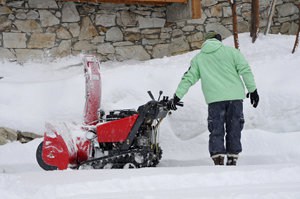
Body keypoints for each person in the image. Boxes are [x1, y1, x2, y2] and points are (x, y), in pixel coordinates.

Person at [168, 31, 259, 166]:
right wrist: (253, 91)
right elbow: (245, 70)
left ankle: (218, 158)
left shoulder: (199, 59)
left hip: (215, 100)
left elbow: (188, 78)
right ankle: (233, 158)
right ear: (219, 40)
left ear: (206, 41)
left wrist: (177, 97)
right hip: (235, 98)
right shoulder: (232, 53)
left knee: (216, 129)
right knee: (234, 127)